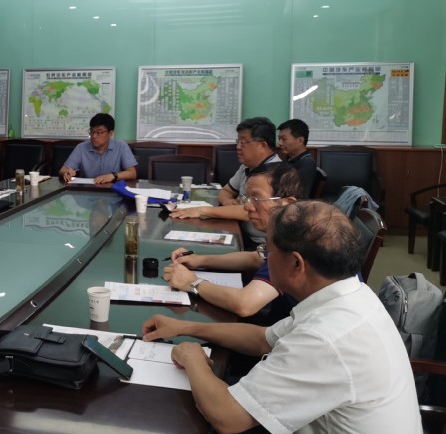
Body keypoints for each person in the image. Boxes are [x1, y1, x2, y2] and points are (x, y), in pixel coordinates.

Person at [143, 201, 421, 434]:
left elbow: (227, 417)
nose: (263, 258)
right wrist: (185, 327)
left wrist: (192, 357)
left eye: (268, 249)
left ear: (296, 263)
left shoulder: (326, 337)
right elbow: (262, 339)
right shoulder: (348, 295)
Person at [164, 162, 305, 319]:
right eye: (247, 198)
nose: (247, 207)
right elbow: (255, 258)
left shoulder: (293, 245)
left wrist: (192, 283)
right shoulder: (288, 231)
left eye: (256, 198)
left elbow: (245, 304)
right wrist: (199, 260)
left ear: (287, 203)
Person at [171, 117, 281, 249]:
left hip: (262, 244)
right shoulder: (247, 166)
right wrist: (229, 202)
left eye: (243, 142)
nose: (238, 147)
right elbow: (226, 191)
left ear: (262, 145)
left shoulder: (276, 172)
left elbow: (250, 212)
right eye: (238, 141)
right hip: (241, 232)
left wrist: (202, 211)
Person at [58, 113, 137, 184]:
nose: (94, 136)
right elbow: (63, 169)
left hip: (113, 190)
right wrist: (67, 173)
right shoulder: (81, 147)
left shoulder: (121, 146)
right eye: (92, 131)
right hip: (88, 191)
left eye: (99, 132)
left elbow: (132, 173)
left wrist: (113, 176)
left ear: (110, 133)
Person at [277, 119, 316, 197]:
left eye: (284, 139)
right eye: (279, 139)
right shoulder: (289, 159)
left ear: (300, 140)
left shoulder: (307, 163)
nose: (280, 143)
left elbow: (298, 195)